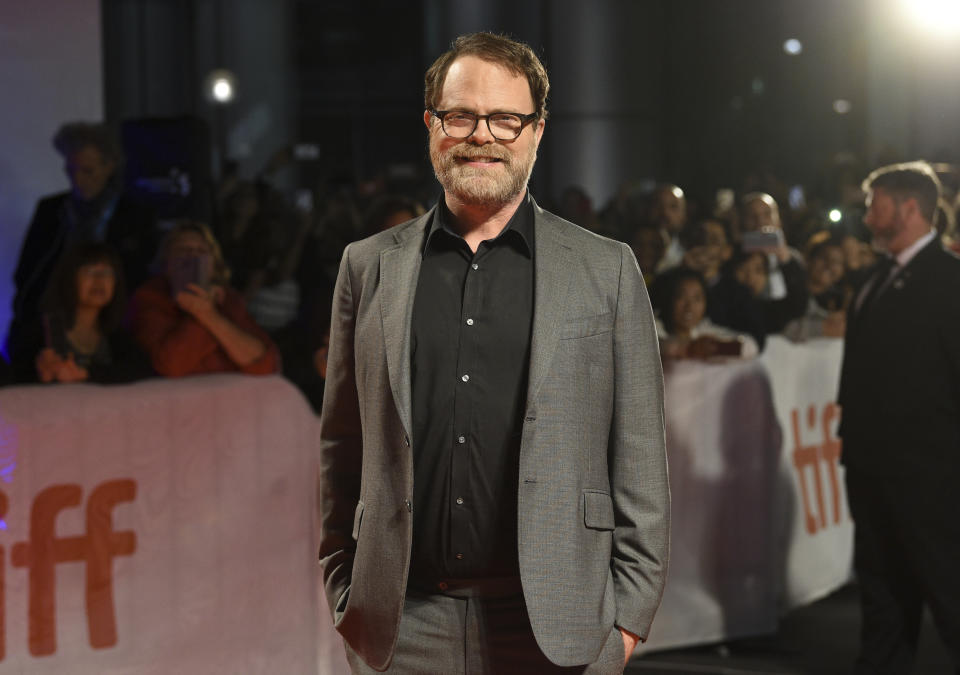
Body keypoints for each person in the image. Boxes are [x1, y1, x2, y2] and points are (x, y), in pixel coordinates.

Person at [318, 32, 669, 674]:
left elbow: (640, 456)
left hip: (555, 628)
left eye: (506, 118)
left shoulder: (607, 270)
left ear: (537, 131)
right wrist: (345, 585)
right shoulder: (366, 267)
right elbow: (343, 445)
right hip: (401, 625)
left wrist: (627, 622)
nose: (483, 135)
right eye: (460, 115)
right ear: (432, 125)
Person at [838, 161, 960, 674]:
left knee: (948, 590)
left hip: (929, 474)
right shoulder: (873, 278)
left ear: (909, 208)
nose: (867, 218)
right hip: (869, 467)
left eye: (876, 205)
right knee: (882, 594)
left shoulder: (950, 279)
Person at [6, 121, 156, 367]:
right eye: (71, 171)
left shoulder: (135, 216)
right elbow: (28, 270)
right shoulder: (53, 210)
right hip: (51, 320)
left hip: (113, 323)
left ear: (109, 167)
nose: (78, 180)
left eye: (87, 171)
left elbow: (139, 275)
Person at [128, 221, 280, 377]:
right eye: (184, 250)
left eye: (201, 251)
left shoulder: (228, 299)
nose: (193, 256)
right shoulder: (149, 298)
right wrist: (200, 313)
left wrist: (210, 314)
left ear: (213, 265)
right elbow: (171, 366)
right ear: (167, 262)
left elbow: (266, 365)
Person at [13, 242, 152, 384]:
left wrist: (86, 373)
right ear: (68, 279)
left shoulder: (115, 333)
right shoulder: (40, 331)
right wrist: (40, 374)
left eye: (107, 273)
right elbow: (15, 376)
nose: (99, 280)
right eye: (89, 271)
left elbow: (142, 371)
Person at [654, 268, 758, 360]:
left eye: (697, 298)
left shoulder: (704, 331)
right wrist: (689, 348)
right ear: (668, 299)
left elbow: (749, 347)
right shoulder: (653, 328)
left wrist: (718, 348)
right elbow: (658, 347)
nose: (689, 307)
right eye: (681, 297)